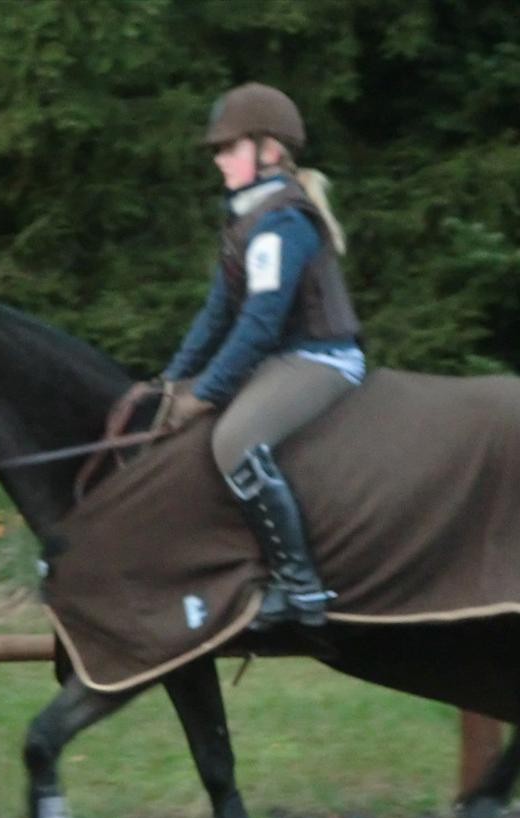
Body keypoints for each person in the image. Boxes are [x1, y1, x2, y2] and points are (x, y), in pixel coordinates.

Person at [160, 82, 365, 627]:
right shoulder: (245, 221)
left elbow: (259, 323)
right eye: (217, 151)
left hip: (321, 359)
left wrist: (205, 393)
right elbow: (216, 314)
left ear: (269, 150)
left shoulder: (283, 222)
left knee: (234, 439)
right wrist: (171, 381)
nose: (219, 160)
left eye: (230, 148)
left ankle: (301, 589)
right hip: (282, 358)